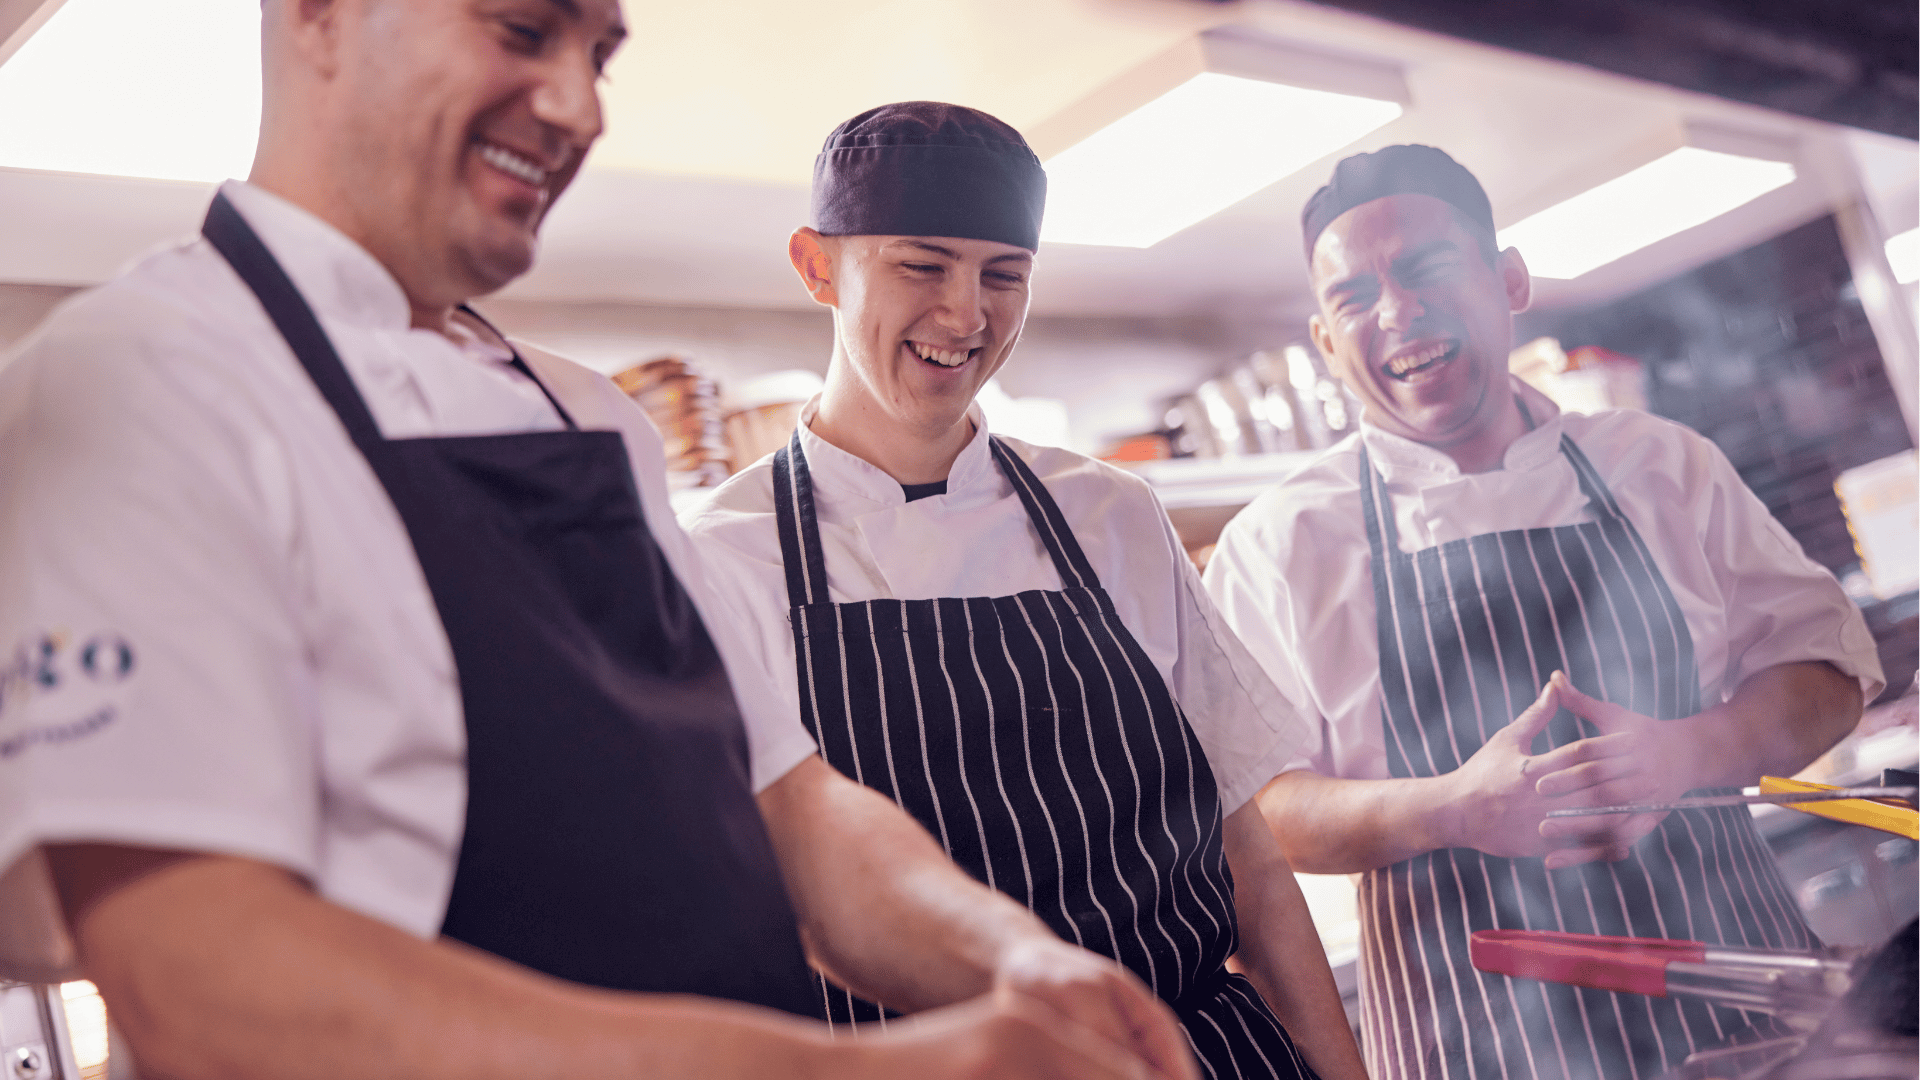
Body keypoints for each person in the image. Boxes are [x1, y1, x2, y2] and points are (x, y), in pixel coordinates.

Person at [0, 4, 1205, 1078]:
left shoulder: (584, 414)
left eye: (601, 53)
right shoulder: (134, 380)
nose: (581, 108)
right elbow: (202, 986)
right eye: (523, 30)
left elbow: (793, 806)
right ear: (318, 14)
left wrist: (1017, 960)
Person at [681, 101, 1368, 1080]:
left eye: (1004, 275)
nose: (967, 315)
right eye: (922, 266)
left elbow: (1247, 857)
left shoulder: (1112, 515)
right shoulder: (718, 562)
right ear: (816, 265)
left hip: (1199, 1054)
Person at [1202, 144, 1885, 1080]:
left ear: (1510, 279)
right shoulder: (1280, 543)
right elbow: (1253, 814)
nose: (1398, 312)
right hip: (1473, 1041)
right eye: (1354, 296)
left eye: (1426, 266)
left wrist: (1694, 751)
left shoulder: (1660, 464)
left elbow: (1830, 675)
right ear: (1325, 340)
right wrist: (1450, 809)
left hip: (1752, 1009)